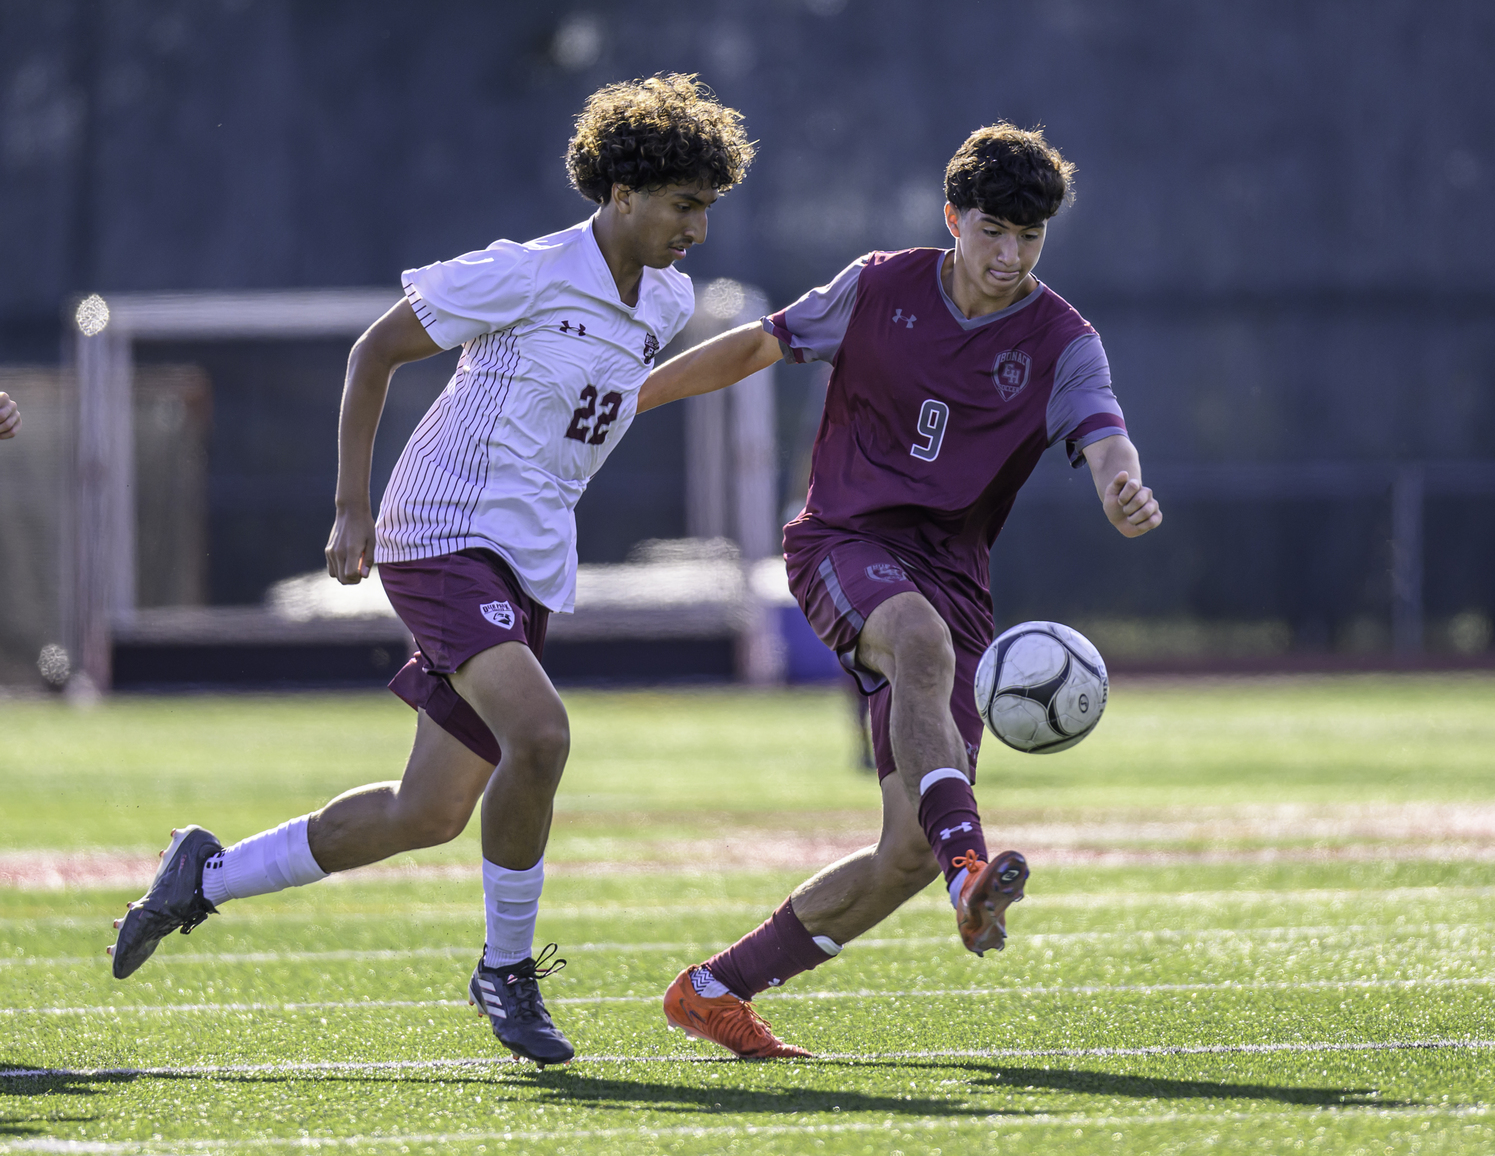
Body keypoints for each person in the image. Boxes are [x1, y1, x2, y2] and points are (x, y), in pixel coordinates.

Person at [107, 73, 755, 1067]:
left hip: (529, 554)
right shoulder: (526, 271)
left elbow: (617, 394)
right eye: (683, 206)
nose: (697, 230)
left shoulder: (663, 299)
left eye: (707, 208)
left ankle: (204, 878)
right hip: (443, 530)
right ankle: (505, 971)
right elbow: (375, 353)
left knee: (430, 811)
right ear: (619, 195)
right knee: (539, 734)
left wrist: (767, 349)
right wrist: (350, 506)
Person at [638, 121, 1162, 1058]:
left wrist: (1121, 486)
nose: (1008, 256)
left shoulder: (1063, 340)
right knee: (919, 651)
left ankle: (715, 989)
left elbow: (1103, 430)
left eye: (1029, 239)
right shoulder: (876, 286)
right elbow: (757, 348)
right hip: (842, 541)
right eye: (992, 231)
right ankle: (973, 866)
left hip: (954, 582)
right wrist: (634, 396)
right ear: (952, 218)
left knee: (904, 850)